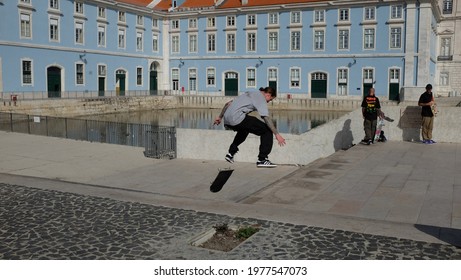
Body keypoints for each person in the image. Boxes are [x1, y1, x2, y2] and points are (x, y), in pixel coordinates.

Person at [213, 87, 286, 167]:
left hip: (227, 120)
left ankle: (230, 153)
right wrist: (277, 134)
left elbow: (228, 104)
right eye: (270, 100)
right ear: (268, 95)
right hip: (237, 118)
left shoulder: (249, 93)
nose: (268, 102)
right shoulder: (261, 98)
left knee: (245, 129)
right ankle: (262, 159)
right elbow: (266, 117)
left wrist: (220, 117)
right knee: (267, 130)